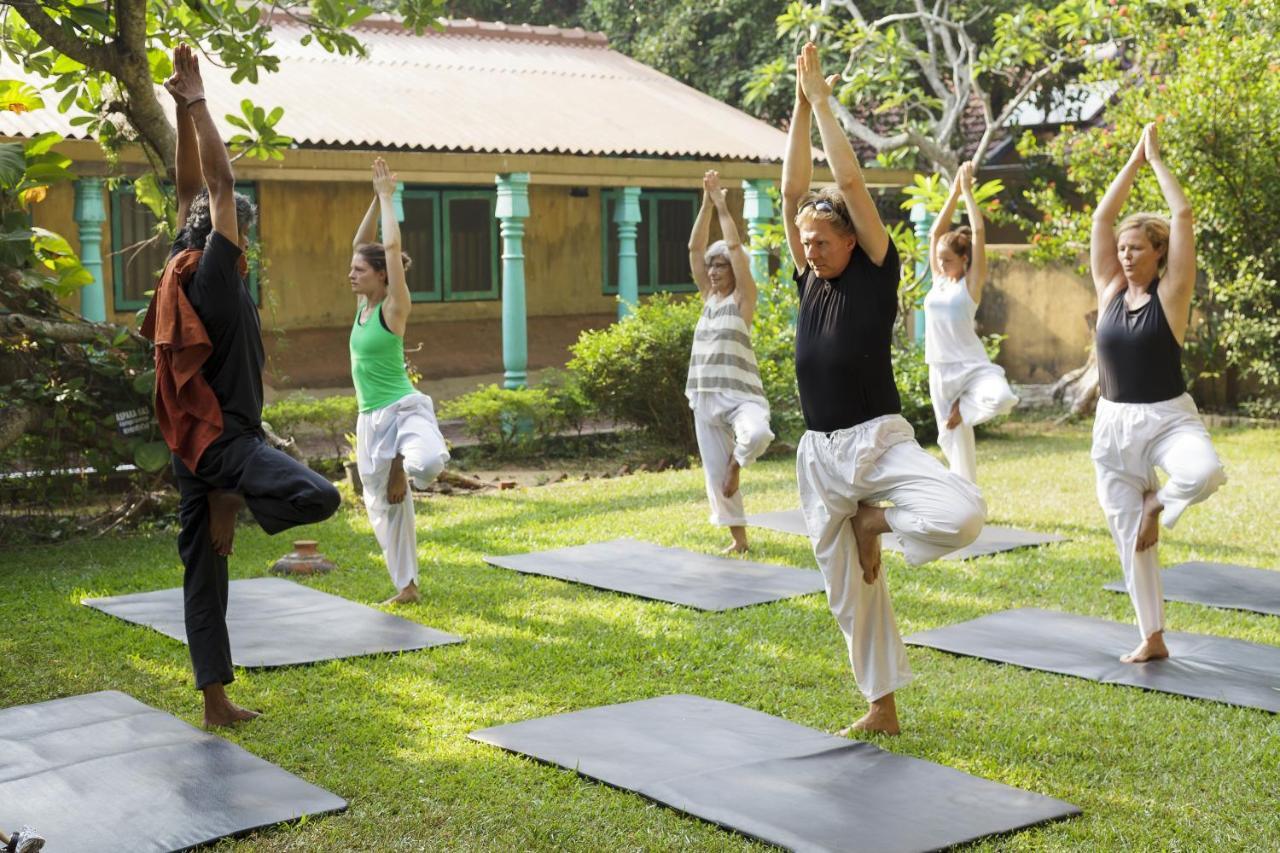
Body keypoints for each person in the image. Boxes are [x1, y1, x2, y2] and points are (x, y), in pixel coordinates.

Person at [782, 43, 986, 735]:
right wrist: (796, 111)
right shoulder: (808, 276)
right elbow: (791, 191)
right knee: (850, 591)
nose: (810, 248)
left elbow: (852, 184)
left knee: (961, 513)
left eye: (822, 239)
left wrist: (824, 106)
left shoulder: (874, 268)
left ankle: (878, 521)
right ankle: (882, 707)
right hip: (820, 453)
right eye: (805, 240)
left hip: (877, 437)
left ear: (850, 241)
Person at [143, 45, 340, 727]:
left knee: (203, 575)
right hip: (225, 445)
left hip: (186, 445)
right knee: (319, 494)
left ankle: (215, 702)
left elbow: (190, 188)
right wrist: (198, 100)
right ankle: (234, 497)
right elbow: (219, 187)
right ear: (237, 240)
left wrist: (177, 106)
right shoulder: (220, 274)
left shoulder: (180, 261)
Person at [1089, 123, 1226, 663]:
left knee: (1205, 472)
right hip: (1112, 425)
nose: (1124, 255)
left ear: (1157, 251)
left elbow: (1184, 215)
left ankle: (1158, 506)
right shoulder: (1108, 290)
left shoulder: (1172, 295)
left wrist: (1158, 162)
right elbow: (1102, 217)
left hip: (1168, 420)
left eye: (1136, 248)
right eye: (1121, 248)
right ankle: (1152, 636)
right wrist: (1132, 160)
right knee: (1130, 541)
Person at [349, 158, 450, 604]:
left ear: (383, 277)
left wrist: (390, 199)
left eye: (360, 269)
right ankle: (407, 587)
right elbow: (362, 241)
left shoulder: (393, 307)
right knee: (382, 509)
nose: (351, 272)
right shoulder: (363, 306)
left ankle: (404, 468)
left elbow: (389, 249)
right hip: (370, 418)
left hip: (403, 410)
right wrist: (375, 197)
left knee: (426, 465)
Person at [685, 169, 774, 553]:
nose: (714, 270)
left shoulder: (742, 301)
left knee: (755, 435)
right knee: (713, 475)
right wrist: (705, 203)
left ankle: (739, 464)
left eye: (721, 266)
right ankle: (739, 541)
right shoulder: (709, 298)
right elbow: (693, 250)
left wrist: (723, 206)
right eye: (712, 266)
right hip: (705, 395)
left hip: (740, 395)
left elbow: (736, 250)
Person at [924, 161, 1018, 483]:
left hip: (971, 366)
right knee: (955, 448)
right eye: (938, 259)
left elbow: (978, 232)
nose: (940, 264)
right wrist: (952, 192)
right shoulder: (938, 281)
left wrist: (967, 192)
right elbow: (936, 232)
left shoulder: (970, 284)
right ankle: (966, 503)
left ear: (964, 260)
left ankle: (964, 407)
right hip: (940, 370)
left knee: (1002, 398)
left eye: (947, 260)